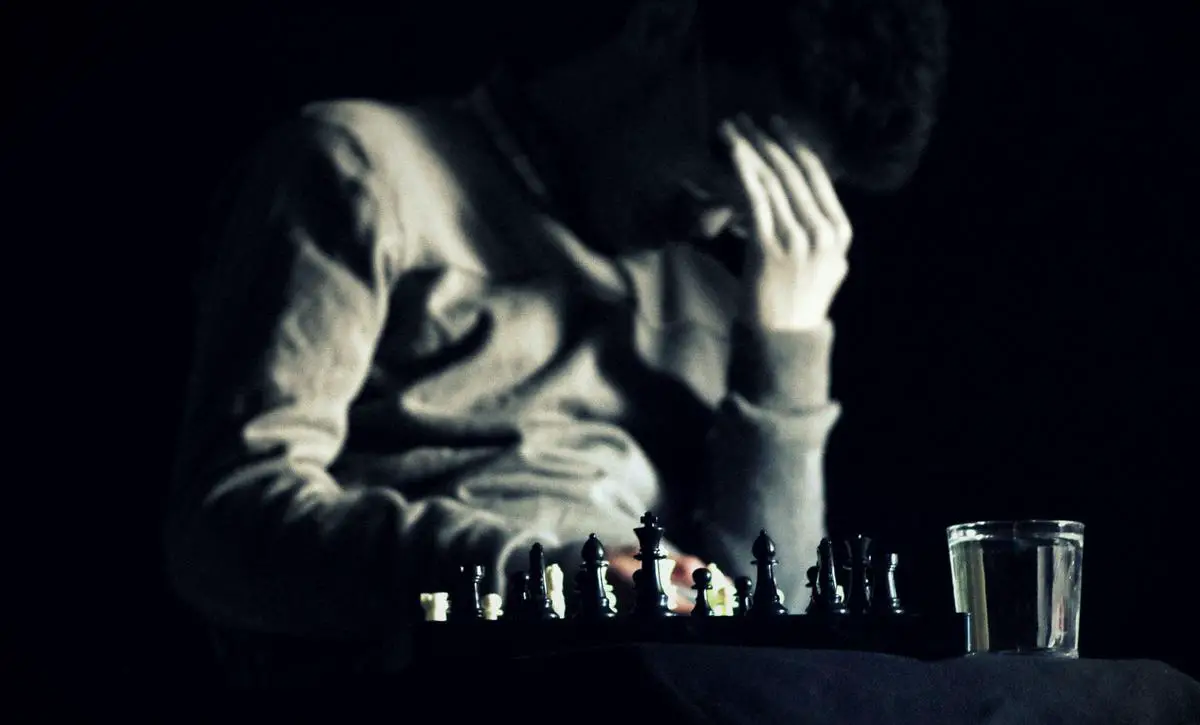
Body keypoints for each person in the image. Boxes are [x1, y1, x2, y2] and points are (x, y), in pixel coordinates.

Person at [164, 0, 948, 676]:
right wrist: (540, 583)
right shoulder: (365, 166)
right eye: (731, 156)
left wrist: (785, 345)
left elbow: (776, 638)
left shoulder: (717, 300)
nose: (715, 220)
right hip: (449, 669)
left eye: (764, 201)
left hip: (653, 687)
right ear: (664, 24)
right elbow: (225, 527)